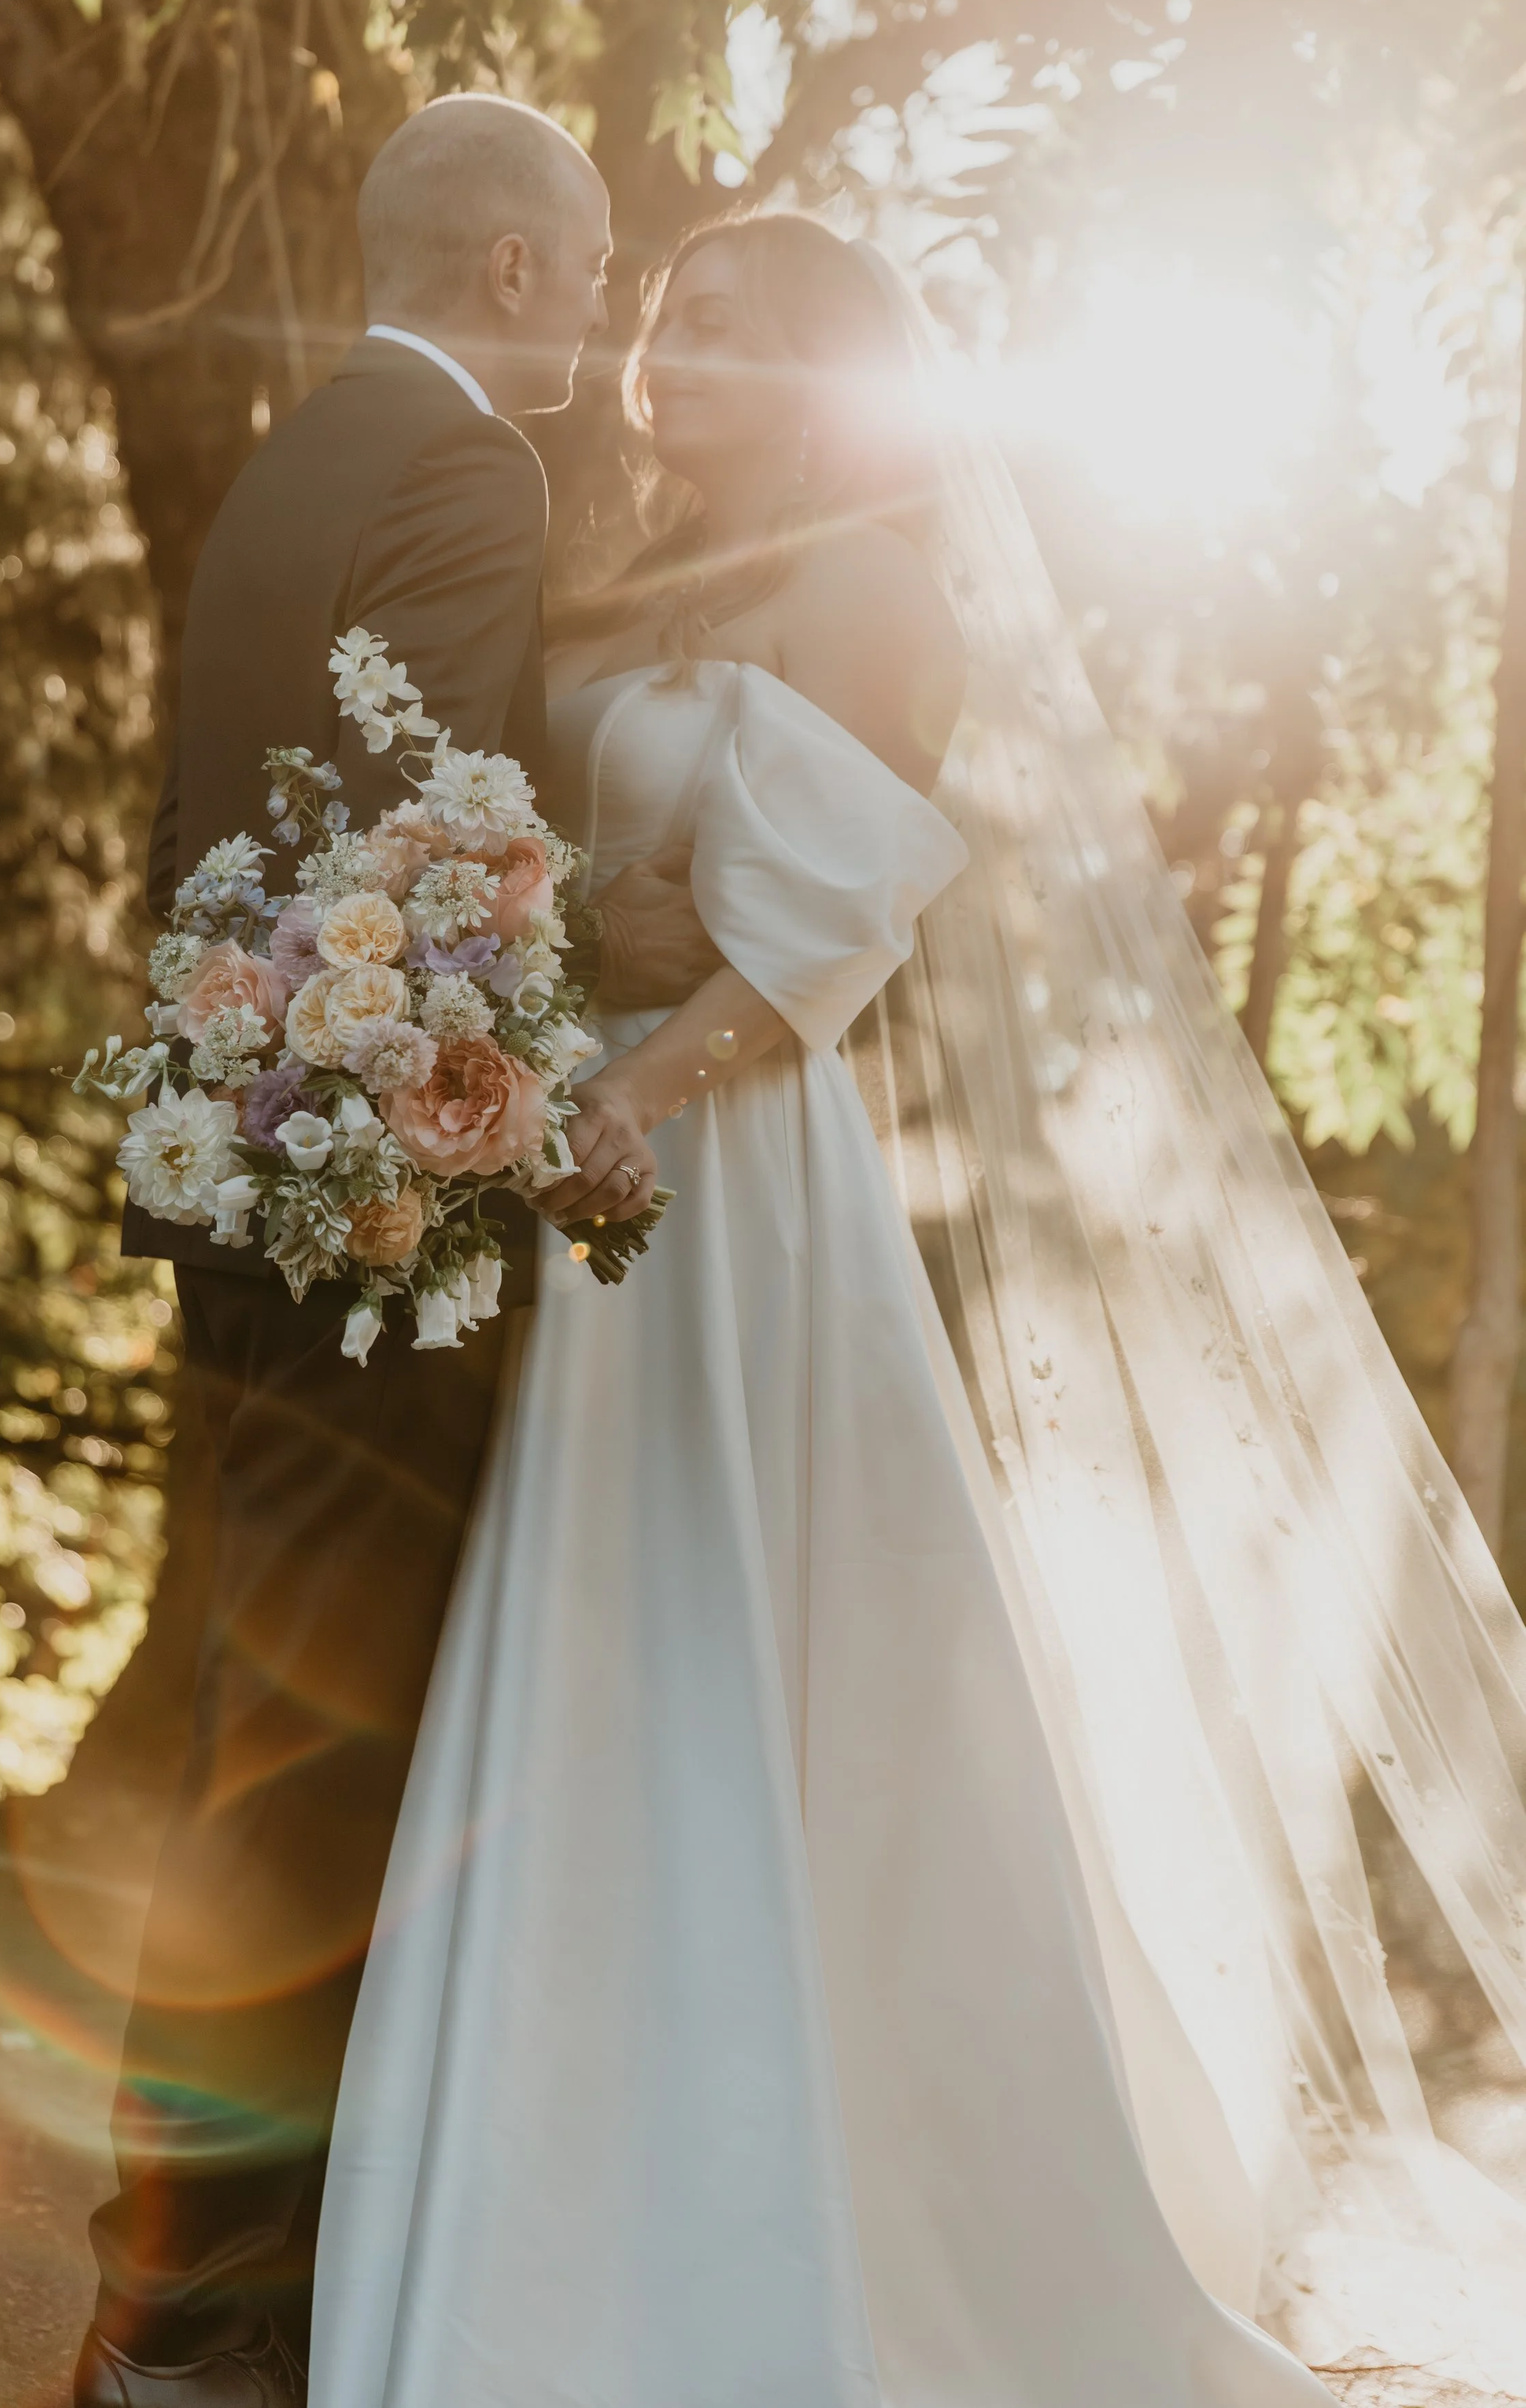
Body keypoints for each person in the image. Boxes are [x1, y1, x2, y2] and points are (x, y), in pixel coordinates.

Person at [304, 215, 1352, 2403]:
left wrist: (636, 1093)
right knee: (577, 1662)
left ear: (831, 382)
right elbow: (550, 860)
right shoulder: (601, 580)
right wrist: (552, 965)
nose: (669, 350)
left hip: (722, 1188)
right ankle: (550, 2195)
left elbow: (830, 923)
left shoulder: (869, 590)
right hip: (564, 1151)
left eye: (726, 326)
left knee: (744, 1650)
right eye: (666, 315)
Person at [75, 97, 717, 2408]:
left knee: (269, 1733)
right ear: (522, 273)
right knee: (317, 1772)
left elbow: (204, 820)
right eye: (605, 261)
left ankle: (196, 2274)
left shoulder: (288, 455)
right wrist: (529, 1128)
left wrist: (208, 1104)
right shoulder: (471, 468)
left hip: (241, 1177)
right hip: (364, 1209)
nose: (614, 298)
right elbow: (436, 830)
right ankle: (198, 2312)